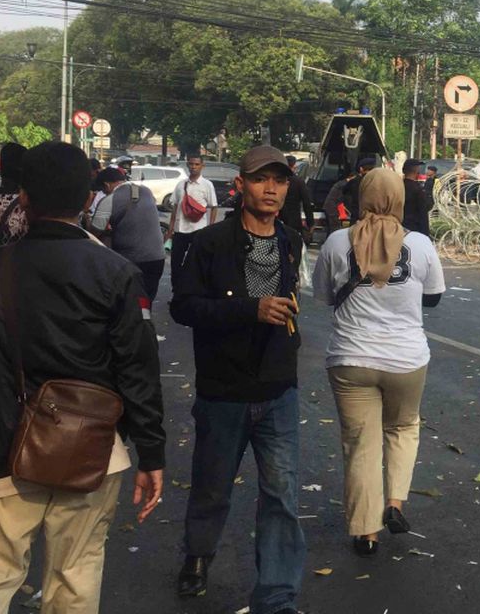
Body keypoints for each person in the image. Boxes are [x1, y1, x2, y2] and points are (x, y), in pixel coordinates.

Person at [0, 141, 165, 614]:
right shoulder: (116, 272)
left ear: (24, 196)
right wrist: (152, 451)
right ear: (88, 200)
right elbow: (137, 370)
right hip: (88, 451)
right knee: (74, 577)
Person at [169, 145, 306, 612]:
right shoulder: (208, 244)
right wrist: (251, 310)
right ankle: (198, 555)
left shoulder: (290, 240)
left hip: (278, 388)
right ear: (240, 186)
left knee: (282, 494)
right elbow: (183, 307)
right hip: (224, 389)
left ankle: (277, 594)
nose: (271, 189)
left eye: (280, 181)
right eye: (261, 179)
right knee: (212, 485)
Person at [312, 168, 445, 556]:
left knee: (360, 445)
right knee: (403, 428)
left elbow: (322, 296)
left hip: (350, 359)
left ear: (362, 197)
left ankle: (365, 533)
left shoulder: (338, 242)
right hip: (406, 360)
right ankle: (394, 504)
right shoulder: (419, 244)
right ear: (400, 198)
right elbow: (434, 297)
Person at [91, 167, 168, 302]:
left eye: (104, 190)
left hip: (133, 260)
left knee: (129, 302)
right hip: (157, 258)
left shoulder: (110, 199)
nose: (104, 193)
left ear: (106, 185)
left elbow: (95, 231)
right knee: (146, 300)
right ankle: (145, 319)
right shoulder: (146, 191)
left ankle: (135, 321)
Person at [167, 155, 219, 284]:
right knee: (175, 263)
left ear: (202, 166)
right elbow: (175, 207)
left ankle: (194, 293)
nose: (193, 167)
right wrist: (170, 229)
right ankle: (176, 293)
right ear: (187, 165)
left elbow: (214, 207)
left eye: (197, 164)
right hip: (180, 230)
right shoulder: (180, 184)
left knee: (196, 263)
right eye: (191, 164)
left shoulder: (207, 185)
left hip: (199, 230)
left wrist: (210, 229)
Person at [281, 156, 315, 243]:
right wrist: (310, 223)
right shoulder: (298, 182)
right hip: (294, 221)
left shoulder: (278, 180)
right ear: (293, 166)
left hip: (278, 219)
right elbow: (306, 203)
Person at [401, 159, 433, 236]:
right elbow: (424, 209)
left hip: (401, 227)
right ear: (416, 170)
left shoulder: (399, 186)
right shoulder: (417, 189)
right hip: (415, 228)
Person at [343, 156, 378, 225]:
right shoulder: (377, 182)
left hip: (356, 216)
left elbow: (344, 192)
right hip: (372, 219)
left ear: (361, 169)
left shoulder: (354, 181)